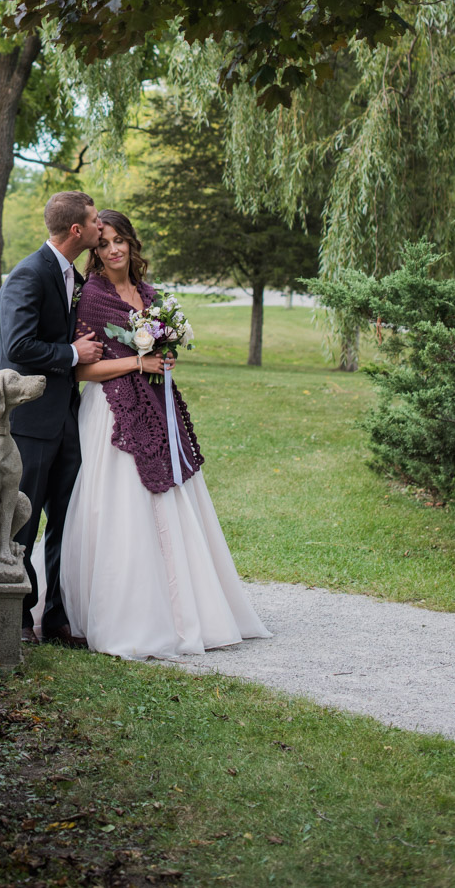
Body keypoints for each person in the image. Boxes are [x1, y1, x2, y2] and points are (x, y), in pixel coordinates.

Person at [55, 209, 270, 659]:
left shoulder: (150, 295)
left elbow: (156, 352)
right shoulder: (92, 296)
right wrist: (139, 362)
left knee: (172, 500)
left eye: (120, 241)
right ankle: (132, 614)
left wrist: (164, 358)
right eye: (104, 243)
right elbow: (83, 369)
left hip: (157, 403)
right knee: (123, 510)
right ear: (94, 250)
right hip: (112, 413)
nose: (113, 249)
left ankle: (188, 606)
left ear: (132, 244)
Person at [0, 191, 104, 645]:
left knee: (66, 516)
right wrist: (72, 353)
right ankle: (20, 617)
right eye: (96, 221)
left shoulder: (72, 275)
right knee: (25, 518)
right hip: (30, 420)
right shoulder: (28, 274)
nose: (102, 228)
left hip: (67, 417)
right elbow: (17, 347)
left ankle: (56, 618)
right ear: (76, 230)